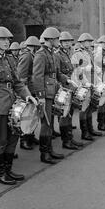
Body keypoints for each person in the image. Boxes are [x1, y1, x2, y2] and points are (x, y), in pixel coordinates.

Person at [0, 27, 37, 185]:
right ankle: (0, 173)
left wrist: (28, 95)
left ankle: (8, 169)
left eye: (7, 39)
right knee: (0, 139)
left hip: (12, 104)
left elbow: (17, 82)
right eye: (2, 39)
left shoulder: (9, 59)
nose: (6, 42)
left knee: (13, 137)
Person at [32, 27, 73, 164]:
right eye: (56, 39)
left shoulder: (52, 54)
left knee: (50, 122)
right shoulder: (41, 54)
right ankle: (44, 154)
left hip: (53, 90)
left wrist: (66, 79)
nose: (58, 41)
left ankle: (49, 150)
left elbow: (56, 73)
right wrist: (41, 96)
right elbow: (37, 77)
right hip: (45, 93)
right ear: (49, 40)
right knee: (46, 123)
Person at [55, 31, 84, 150]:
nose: (67, 43)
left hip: (71, 86)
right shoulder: (57, 55)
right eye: (65, 41)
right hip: (63, 87)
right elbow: (57, 73)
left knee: (70, 113)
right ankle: (65, 141)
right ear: (60, 42)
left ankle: (69, 138)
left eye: (69, 41)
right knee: (64, 114)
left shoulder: (69, 54)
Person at [72, 33, 103, 141]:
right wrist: (86, 70)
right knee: (84, 108)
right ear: (82, 42)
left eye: (90, 41)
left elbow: (93, 68)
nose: (90, 43)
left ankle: (90, 129)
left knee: (90, 106)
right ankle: (84, 132)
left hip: (92, 82)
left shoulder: (89, 52)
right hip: (84, 84)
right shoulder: (78, 53)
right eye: (88, 41)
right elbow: (77, 70)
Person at [17, 36, 41, 150]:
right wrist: (25, 92)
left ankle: (30, 136)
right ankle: (24, 139)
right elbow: (22, 75)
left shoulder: (31, 54)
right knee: (26, 115)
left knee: (32, 114)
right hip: (28, 90)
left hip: (32, 88)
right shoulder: (27, 55)